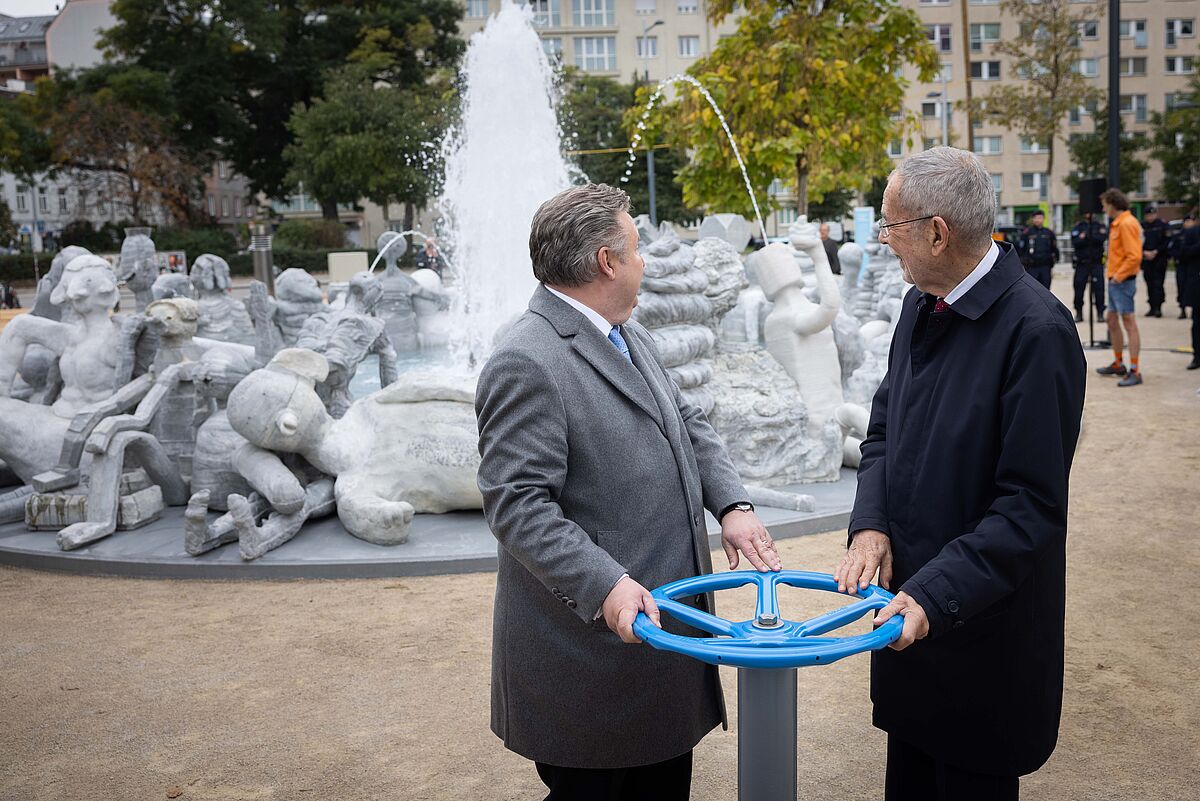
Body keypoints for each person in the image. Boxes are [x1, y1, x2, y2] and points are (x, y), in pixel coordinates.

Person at [475, 183, 782, 801]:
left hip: (659, 646)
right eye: (637, 249)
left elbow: (686, 422)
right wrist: (605, 583)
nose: (644, 262)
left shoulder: (624, 330)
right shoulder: (527, 359)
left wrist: (733, 505)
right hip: (595, 659)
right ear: (605, 263)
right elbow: (518, 504)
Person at [834, 147, 1086, 801]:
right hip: (913, 625)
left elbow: (1029, 506)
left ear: (937, 233)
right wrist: (871, 524)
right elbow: (884, 429)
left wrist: (936, 594)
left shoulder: (1036, 332)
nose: (883, 241)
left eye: (890, 227)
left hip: (978, 640)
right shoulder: (923, 303)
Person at [1097, 188, 1145, 386]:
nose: (1103, 208)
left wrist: (1118, 276)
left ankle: (1135, 370)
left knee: (1129, 322)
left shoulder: (1126, 223)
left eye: (1104, 204)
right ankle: (1118, 363)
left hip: (1122, 281)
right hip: (1116, 281)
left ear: (1112, 203)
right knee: (1111, 319)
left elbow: (1134, 256)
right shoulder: (1118, 223)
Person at [1170, 216, 1200, 369]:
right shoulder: (1192, 232)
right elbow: (1183, 252)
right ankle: (1197, 356)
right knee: (1197, 323)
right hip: (1196, 282)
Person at [1070, 211, 1106, 323]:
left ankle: (1100, 313)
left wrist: (1085, 236)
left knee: (1099, 289)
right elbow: (1075, 241)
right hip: (1082, 264)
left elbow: (1102, 239)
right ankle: (1079, 312)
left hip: (1096, 263)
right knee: (1078, 288)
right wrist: (1091, 236)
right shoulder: (1079, 226)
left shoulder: (1100, 225)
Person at [1016, 210, 1059, 289]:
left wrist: (1055, 259)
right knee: (1032, 290)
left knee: (1046, 290)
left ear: (1043, 219)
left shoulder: (1049, 233)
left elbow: (1054, 248)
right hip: (1031, 267)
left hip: (1045, 266)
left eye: (1040, 218)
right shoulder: (1027, 233)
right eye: (1035, 218)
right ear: (1032, 219)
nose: (1037, 220)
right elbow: (1021, 250)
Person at [1139, 206, 1169, 317]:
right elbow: (1137, 241)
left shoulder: (1162, 225)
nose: (1150, 217)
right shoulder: (1142, 226)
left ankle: (1158, 307)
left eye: (1152, 214)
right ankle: (1151, 306)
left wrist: (1156, 251)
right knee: (1149, 284)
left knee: (1158, 284)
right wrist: (1144, 252)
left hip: (1159, 259)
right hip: (1146, 260)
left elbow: (1167, 242)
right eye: (1148, 215)